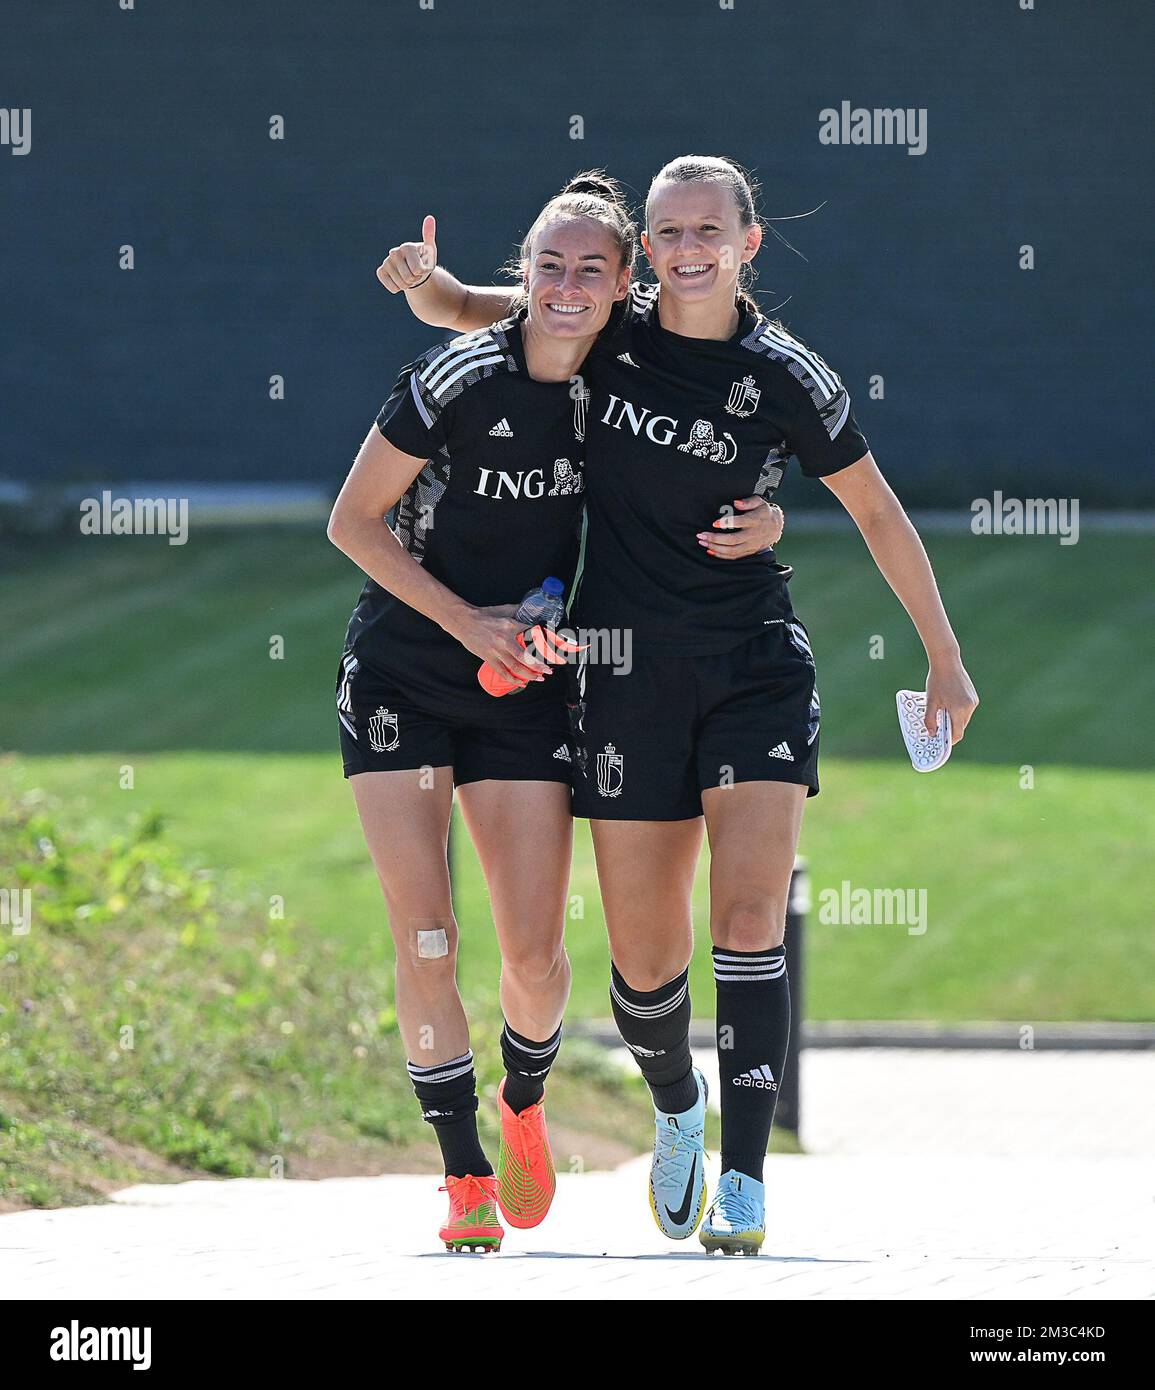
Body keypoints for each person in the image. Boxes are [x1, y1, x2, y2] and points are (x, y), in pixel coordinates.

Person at [380, 156, 972, 1256]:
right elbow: (473, 309)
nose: (686, 247)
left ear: (751, 242)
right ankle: (677, 1107)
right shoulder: (612, 327)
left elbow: (881, 513)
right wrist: (424, 279)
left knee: (748, 925)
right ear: (643, 249)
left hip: (753, 667)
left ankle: (744, 1178)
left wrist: (945, 657)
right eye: (666, 232)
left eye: (710, 229)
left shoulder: (788, 373)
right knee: (646, 968)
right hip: (621, 676)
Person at [338, 173, 782, 1253]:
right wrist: (466, 623)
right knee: (428, 933)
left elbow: (741, 413)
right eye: (548, 264)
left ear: (627, 284)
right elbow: (353, 521)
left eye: (593, 267)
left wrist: (771, 511)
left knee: (535, 956)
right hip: (406, 666)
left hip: (525, 688)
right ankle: (461, 1177)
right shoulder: (452, 379)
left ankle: (524, 1099)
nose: (567, 286)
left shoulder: (627, 365)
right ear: (524, 270)